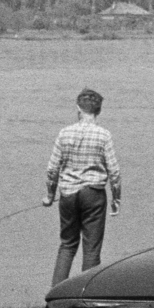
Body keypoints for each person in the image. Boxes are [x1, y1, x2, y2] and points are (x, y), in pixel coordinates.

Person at [44, 88, 122, 285]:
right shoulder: (104, 135)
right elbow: (114, 172)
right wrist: (116, 200)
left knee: (67, 245)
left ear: (78, 108)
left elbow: (52, 169)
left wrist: (49, 195)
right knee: (92, 248)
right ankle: (86, 294)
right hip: (94, 194)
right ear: (99, 111)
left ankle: (55, 296)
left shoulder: (64, 133)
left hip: (68, 194)